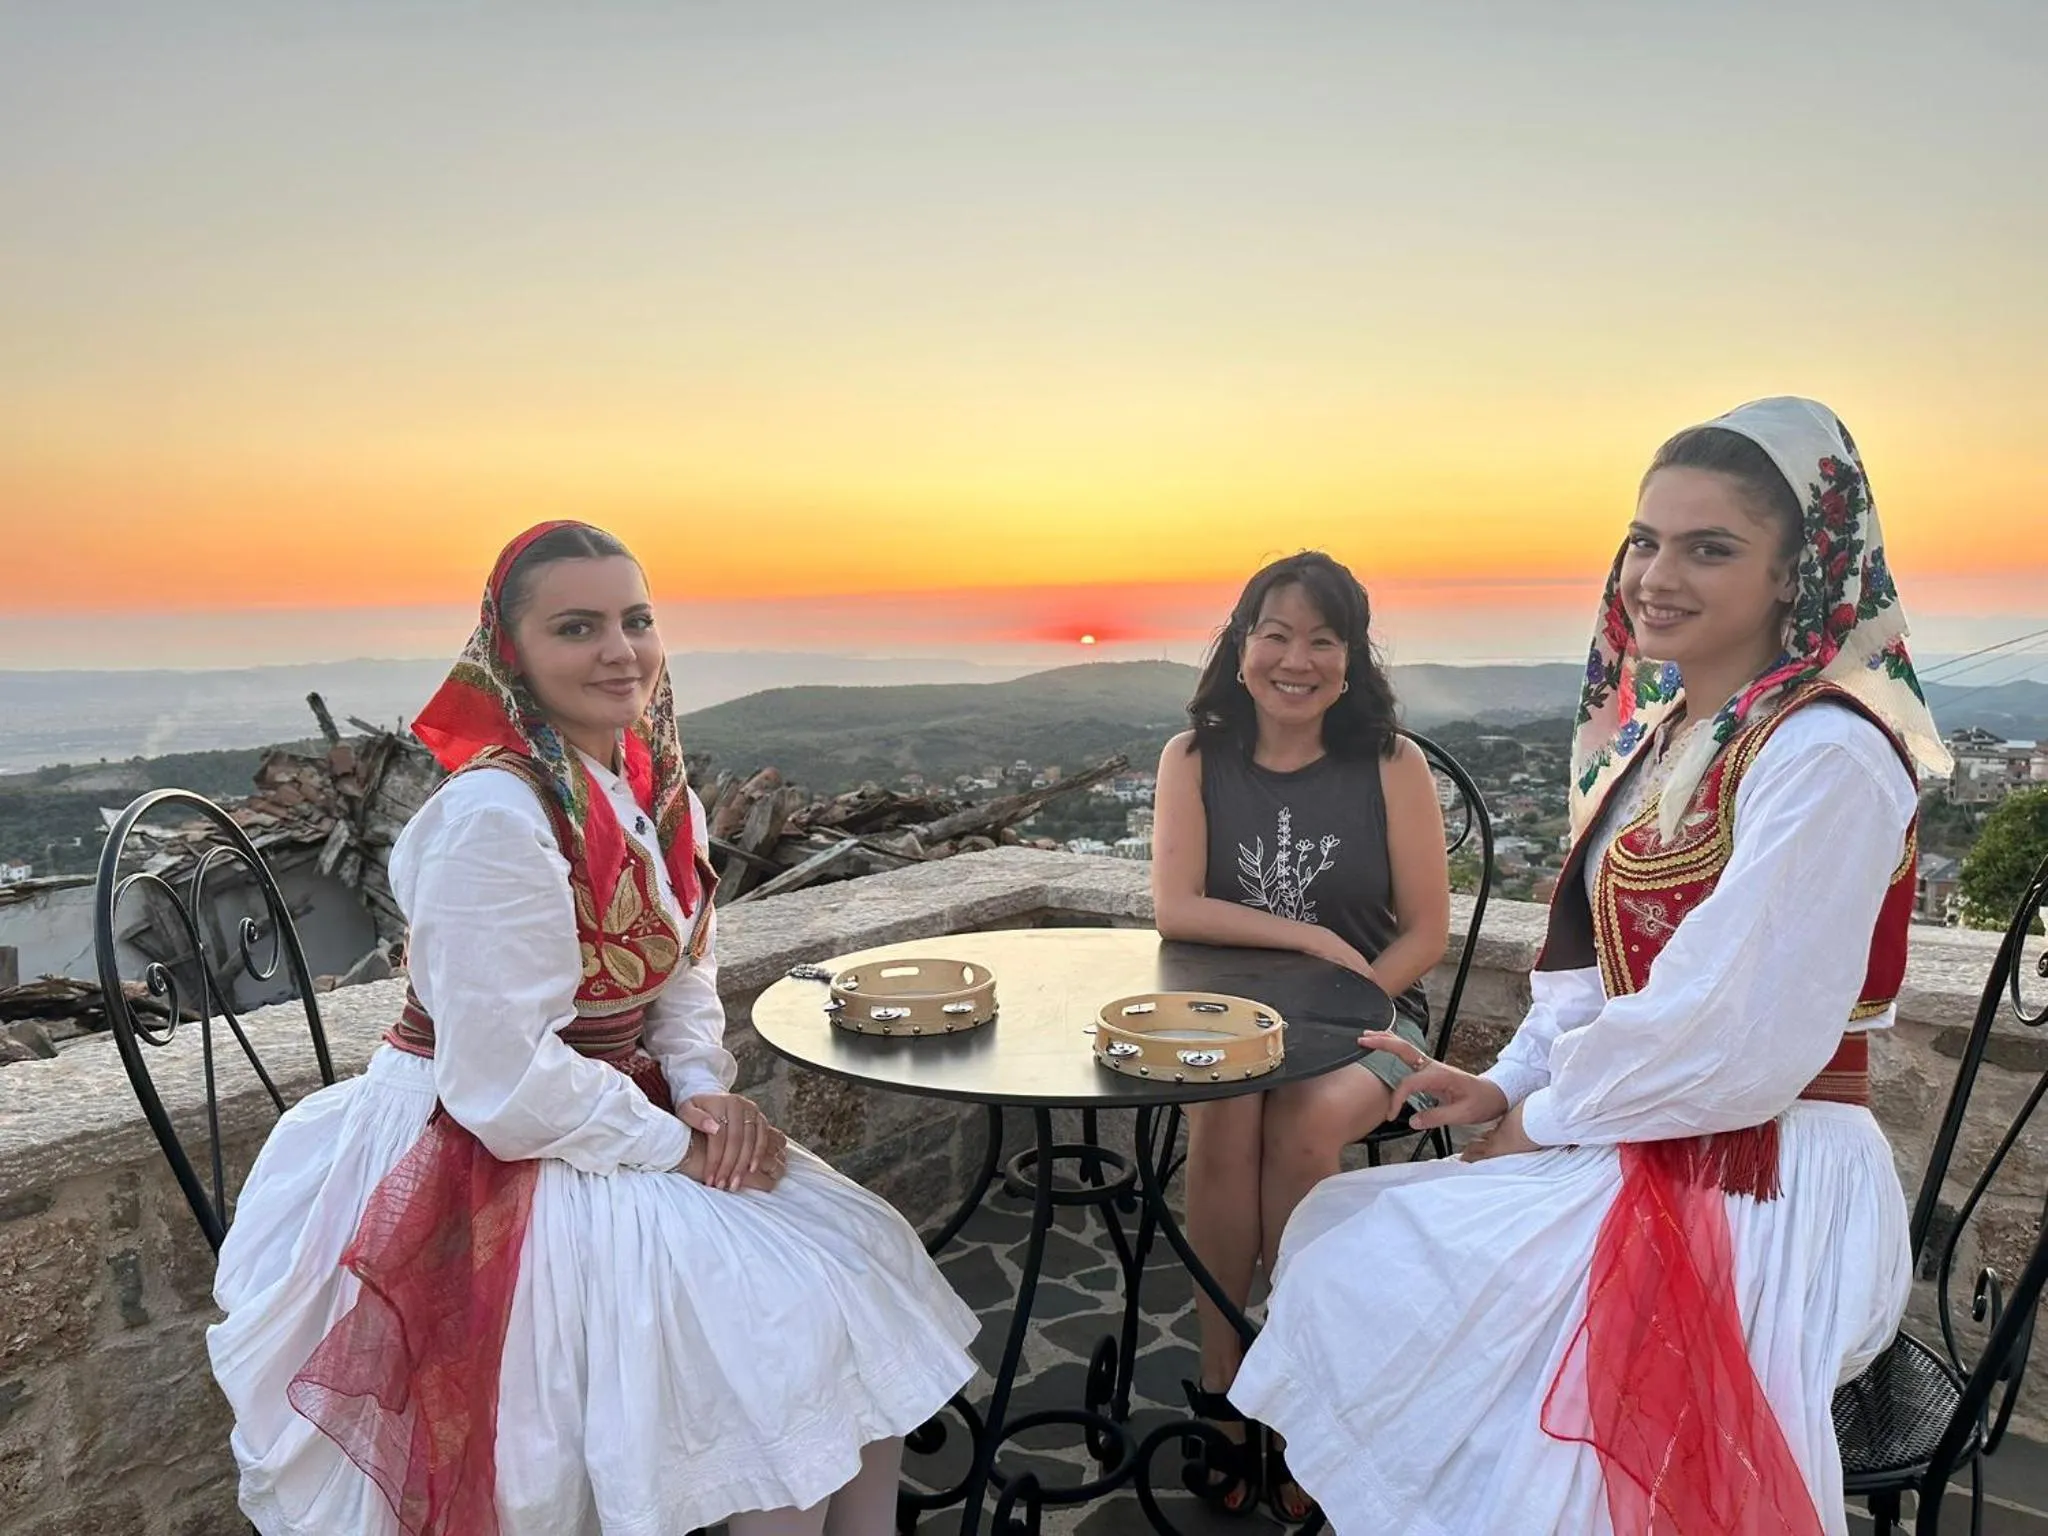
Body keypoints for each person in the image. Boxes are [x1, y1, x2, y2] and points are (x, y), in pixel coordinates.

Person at [1228, 398, 1948, 1535]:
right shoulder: (1667, 742)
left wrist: (1545, 1118)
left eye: (1709, 547)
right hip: (1650, 1123)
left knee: (1403, 1304)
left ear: (1793, 577)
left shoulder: (1824, 755)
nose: (1654, 575)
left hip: (1761, 1169)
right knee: (1350, 1249)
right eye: (1645, 540)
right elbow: (1586, 984)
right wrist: (1508, 1086)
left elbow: (1729, 1034)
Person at [208, 521, 980, 1536]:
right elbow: (500, 1085)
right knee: (788, 1340)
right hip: (491, 1142)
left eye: (636, 619)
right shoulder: (494, 817)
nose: (620, 650)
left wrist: (703, 1086)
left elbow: (680, 971)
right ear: (511, 655)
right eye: (578, 627)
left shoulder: (653, 789)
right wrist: (674, 1143)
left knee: (857, 1273)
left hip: (607, 1109)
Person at [1149, 550, 1450, 1518]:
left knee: (1305, 1123)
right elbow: (1175, 908)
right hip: (1233, 1026)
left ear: (1351, 657)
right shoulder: (1191, 757)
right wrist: (1307, 936)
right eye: (1274, 634)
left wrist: (1351, 1002)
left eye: (1323, 639)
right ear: (1239, 647)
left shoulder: (1389, 764)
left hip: (1367, 1026)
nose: (1296, 658)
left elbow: (1426, 933)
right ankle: (1229, 1390)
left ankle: (1304, 1397)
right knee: (1226, 1114)